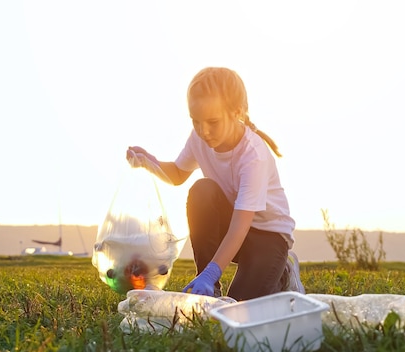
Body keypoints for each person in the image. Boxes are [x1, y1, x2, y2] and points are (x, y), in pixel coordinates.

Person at [126, 67, 304, 301]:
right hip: (235, 228)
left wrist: (212, 272)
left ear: (236, 112)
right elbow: (179, 173)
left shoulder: (253, 156)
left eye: (213, 122)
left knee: (238, 307)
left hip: (268, 238)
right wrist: (149, 162)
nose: (204, 131)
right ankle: (211, 290)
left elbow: (240, 225)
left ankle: (282, 270)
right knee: (202, 191)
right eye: (196, 121)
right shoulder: (199, 138)